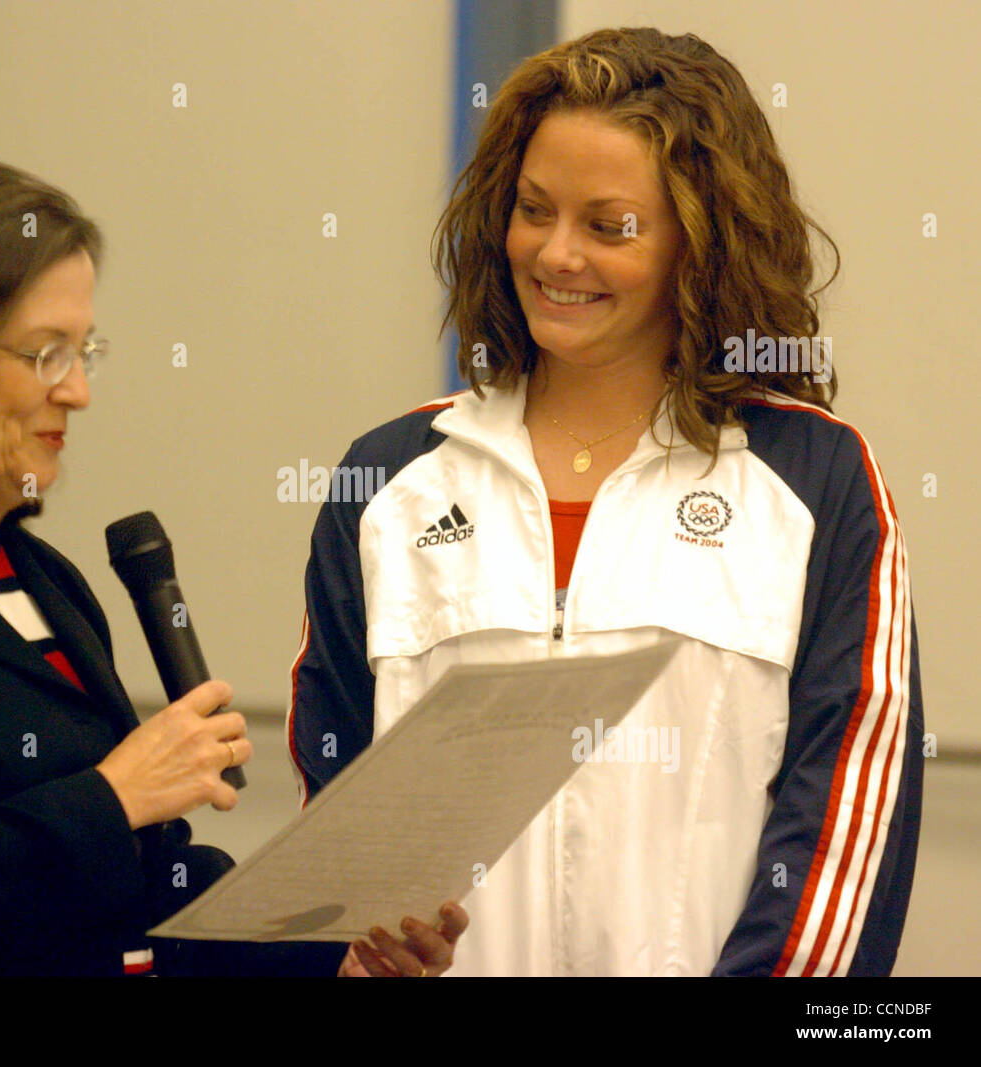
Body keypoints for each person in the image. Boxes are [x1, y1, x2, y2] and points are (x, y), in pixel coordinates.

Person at [0, 153, 466, 977]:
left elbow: (144, 890)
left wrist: (331, 957)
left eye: (84, 351)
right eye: (42, 354)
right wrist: (113, 796)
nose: (77, 391)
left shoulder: (47, 581)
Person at [287, 27, 923, 976]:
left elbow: (842, 845)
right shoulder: (386, 480)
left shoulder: (816, 478)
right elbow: (333, 812)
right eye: (533, 210)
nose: (556, 253)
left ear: (699, 244)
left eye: (608, 225)